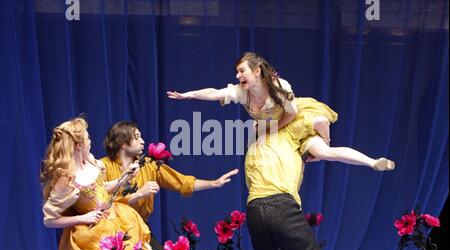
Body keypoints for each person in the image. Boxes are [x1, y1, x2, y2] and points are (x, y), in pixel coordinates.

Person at [167, 51, 395, 171]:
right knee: (320, 154)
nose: (237, 76)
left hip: (292, 121)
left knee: (321, 133)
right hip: (273, 127)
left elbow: (293, 114)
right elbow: (214, 93)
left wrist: (273, 129)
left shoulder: (280, 87)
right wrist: (188, 95)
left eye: (241, 71)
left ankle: (372, 162)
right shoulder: (241, 91)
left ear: (256, 71)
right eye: (237, 72)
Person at [100, 120, 239, 250]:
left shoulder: (148, 166)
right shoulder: (103, 166)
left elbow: (182, 182)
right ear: (122, 143)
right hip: (112, 236)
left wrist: (214, 183)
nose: (143, 141)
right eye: (137, 137)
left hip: (141, 230)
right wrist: (137, 195)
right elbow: (102, 203)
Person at [40, 117, 170, 250]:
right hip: (94, 233)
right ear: (78, 146)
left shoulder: (91, 162)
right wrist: (82, 218)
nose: (90, 142)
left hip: (118, 219)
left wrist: (123, 179)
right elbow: (49, 220)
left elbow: (100, 188)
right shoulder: (67, 179)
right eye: (88, 139)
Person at [246, 117, 325, 250]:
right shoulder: (290, 136)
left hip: (254, 208)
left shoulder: (254, 147)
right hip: (280, 205)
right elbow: (321, 120)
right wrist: (326, 141)